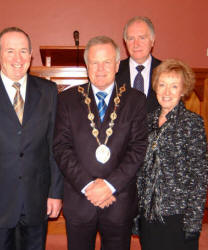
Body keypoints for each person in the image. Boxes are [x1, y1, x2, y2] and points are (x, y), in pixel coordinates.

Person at [0, 27, 63, 250]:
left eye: (23, 51)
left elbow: (54, 148)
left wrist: (55, 193)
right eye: (10, 51)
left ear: (30, 56)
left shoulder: (48, 92)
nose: (18, 58)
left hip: (37, 202)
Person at [53, 36, 148, 250]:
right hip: (80, 199)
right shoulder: (67, 100)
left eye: (107, 62)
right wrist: (89, 186)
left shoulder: (135, 100)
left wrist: (109, 186)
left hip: (118, 200)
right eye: (95, 62)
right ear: (87, 66)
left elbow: (138, 148)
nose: (101, 68)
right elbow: (61, 148)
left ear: (116, 65)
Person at [137, 59, 208, 250]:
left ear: (183, 90)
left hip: (178, 216)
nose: (167, 92)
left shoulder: (192, 123)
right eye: (162, 85)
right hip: (149, 214)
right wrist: (138, 212)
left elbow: (199, 176)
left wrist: (193, 220)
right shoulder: (148, 120)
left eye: (174, 86)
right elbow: (141, 170)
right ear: (155, 88)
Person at [116, 16, 161, 113]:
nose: (136, 44)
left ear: (152, 41)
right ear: (125, 42)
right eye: (131, 38)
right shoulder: (114, 72)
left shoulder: (165, 70)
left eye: (142, 38)